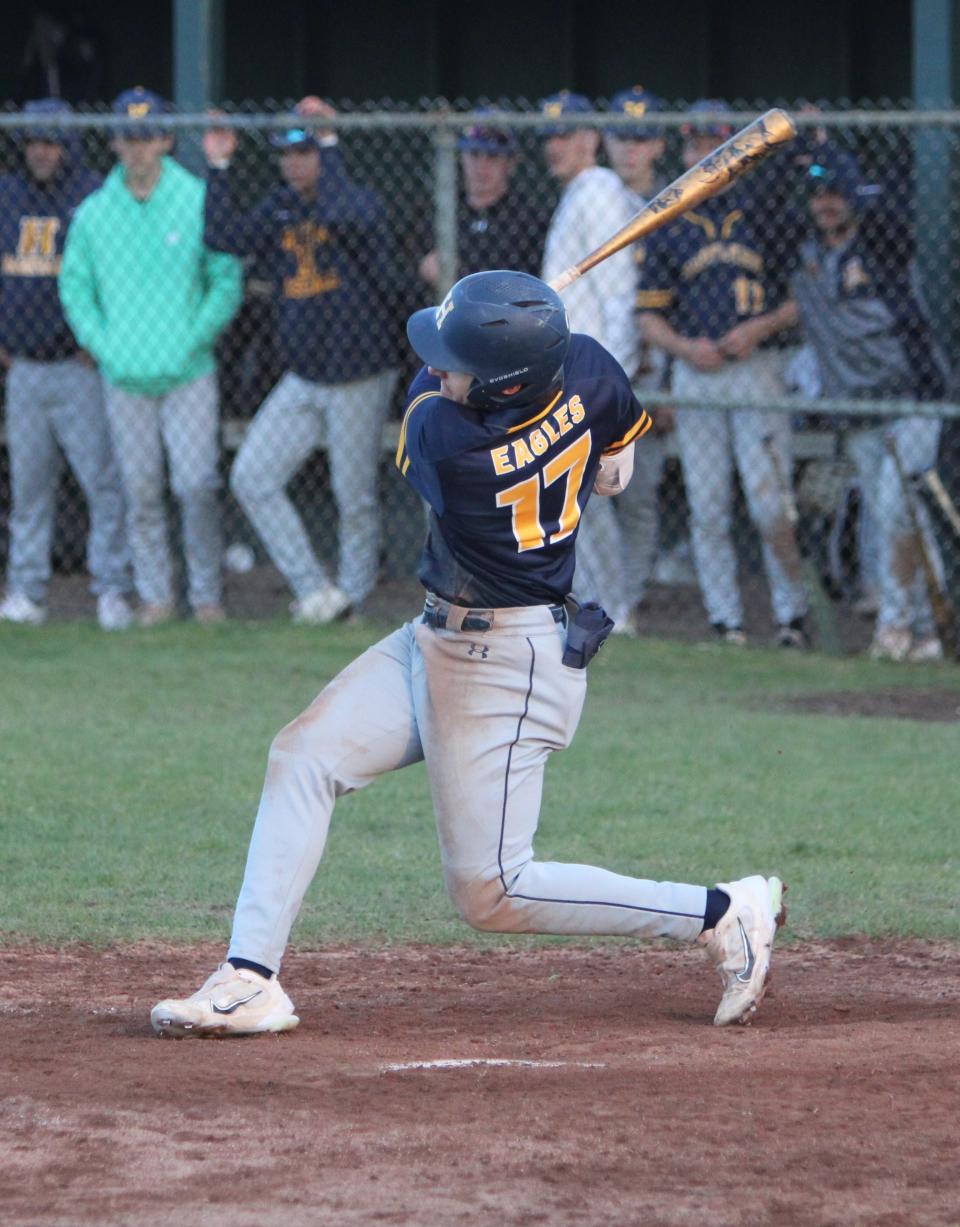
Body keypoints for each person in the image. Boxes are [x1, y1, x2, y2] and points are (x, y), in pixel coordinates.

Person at [150, 269, 786, 1039]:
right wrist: (512, 336)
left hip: (506, 665)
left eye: (459, 360)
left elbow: (435, 389)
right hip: (440, 636)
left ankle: (723, 911)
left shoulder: (447, 441)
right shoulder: (587, 364)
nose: (440, 365)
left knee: (492, 890)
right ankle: (250, 977)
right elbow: (614, 469)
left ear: (503, 385)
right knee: (304, 756)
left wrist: (501, 342)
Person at [203, 97, 399, 623]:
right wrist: (220, 167)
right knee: (252, 476)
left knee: (352, 496)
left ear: (324, 154)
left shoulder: (356, 200)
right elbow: (222, 238)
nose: (295, 163)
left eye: (306, 151)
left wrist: (331, 142)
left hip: (359, 373)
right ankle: (315, 592)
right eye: (287, 153)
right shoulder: (279, 206)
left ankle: (352, 601)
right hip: (304, 376)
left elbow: (340, 214)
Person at [59, 87, 243, 627]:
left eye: (146, 136)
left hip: (188, 372)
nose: (136, 148)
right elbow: (76, 289)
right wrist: (105, 347)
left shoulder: (195, 197)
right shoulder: (93, 213)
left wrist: (194, 337)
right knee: (139, 492)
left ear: (165, 139)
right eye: (126, 138)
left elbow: (224, 278)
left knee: (195, 485)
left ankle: (207, 597)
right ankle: (156, 597)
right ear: (114, 143)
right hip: (124, 376)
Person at [638, 100, 808, 647]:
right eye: (692, 147)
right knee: (707, 505)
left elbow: (801, 302)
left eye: (712, 145)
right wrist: (685, 347)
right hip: (697, 375)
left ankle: (791, 617)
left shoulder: (765, 210)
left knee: (768, 502)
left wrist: (758, 328)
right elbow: (648, 317)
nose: (700, 156)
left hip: (757, 367)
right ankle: (725, 621)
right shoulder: (667, 222)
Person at [788, 150, 949, 662]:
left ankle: (896, 629)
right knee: (890, 520)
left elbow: (891, 204)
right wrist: (799, 149)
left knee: (898, 511)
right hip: (857, 409)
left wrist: (839, 160)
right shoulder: (804, 252)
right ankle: (923, 635)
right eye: (818, 194)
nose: (827, 203)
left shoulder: (881, 243)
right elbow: (767, 203)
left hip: (912, 399)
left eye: (837, 192)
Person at [0, 98, 131, 630]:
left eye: (51, 141)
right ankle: (27, 590)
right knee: (29, 486)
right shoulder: (7, 195)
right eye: (34, 141)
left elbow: (118, 277)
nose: (41, 151)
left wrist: (96, 340)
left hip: (79, 367)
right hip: (23, 368)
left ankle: (112, 589)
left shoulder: (93, 194)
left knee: (102, 481)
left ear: (69, 146)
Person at [538, 90, 639, 631]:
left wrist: (610, 381)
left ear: (591, 139)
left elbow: (618, 294)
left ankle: (615, 612)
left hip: (589, 374)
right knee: (574, 500)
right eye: (550, 137)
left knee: (584, 502)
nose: (556, 146)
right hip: (571, 371)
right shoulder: (580, 191)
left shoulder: (597, 190)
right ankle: (602, 608)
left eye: (566, 135)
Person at [603, 85, 673, 623]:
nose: (631, 150)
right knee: (594, 493)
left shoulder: (675, 204)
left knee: (639, 493)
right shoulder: (593, 200)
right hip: (602, 368)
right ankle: (606, 598)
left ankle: (629, 594)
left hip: (655, 366)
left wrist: (665, 380)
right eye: (623, 138)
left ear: (658, 145)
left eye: (642, 139)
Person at [417, 111, 552, 290]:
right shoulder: (438, 211)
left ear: (510, 162)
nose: (481, 167)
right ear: (461, 157)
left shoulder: (530, 218)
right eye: (474, 154)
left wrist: (462, 272)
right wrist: (423, 268)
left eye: (493, 157)